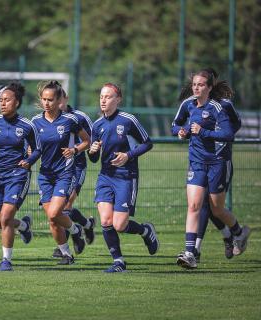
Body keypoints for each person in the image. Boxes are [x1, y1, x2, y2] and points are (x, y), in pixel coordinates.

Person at [172, 69, 250, 269]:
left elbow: (229, 134)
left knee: (216, 208)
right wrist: (180, 132)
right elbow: (176, 124)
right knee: (194, 206)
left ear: (209, 87)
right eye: (194, 84)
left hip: (218, 162)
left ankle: (239, 232)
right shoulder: (188, 104)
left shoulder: (219, 107)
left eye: (200, 85)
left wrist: (203, 131)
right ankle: (190, 252)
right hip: (196, 162)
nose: (196, 88)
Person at [88, 83, 158, 273]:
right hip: (105, 176)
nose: (103, 100)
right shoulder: (97, 125)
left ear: (118, 99)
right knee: (105, 221)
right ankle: (118, 261)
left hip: (126, 177)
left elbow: (147, 143)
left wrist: (128, 156)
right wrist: (92, 151)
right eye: (101, 96)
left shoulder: (128, 120)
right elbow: (94, 158)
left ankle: (145, 231)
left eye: (108, 97)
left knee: (119, 225)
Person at [0, 82, 40, 271]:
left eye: (7, 100)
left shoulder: (27, 125)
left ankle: (6, 260)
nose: (2, 103)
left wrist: (29, 161)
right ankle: (23, 225)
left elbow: (38, 149)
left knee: (5, 217)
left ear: (17, 103)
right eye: (1, 100)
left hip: (18, 175)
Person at [31, 80, 90, 265]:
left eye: (50, 100)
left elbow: (87, 141)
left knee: (55, 213)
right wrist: (27, 155)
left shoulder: (70, 120)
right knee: (52, 220)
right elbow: (30, 147)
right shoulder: (35, 122)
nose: (46, 103)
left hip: (64, 173)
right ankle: (67, 253)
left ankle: (75, 231)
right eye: (44, 99)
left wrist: (75, 150)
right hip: (45, 175)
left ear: (59, 101)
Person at [52, 89, 96, 259]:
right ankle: (86, 224)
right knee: (62, 207)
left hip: (77, 166)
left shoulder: (80, 117)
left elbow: (93, 138)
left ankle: (65, 246)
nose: (57, 104)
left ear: (65, 98)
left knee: (66, 205)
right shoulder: (50, 117)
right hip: (58, 167)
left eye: (59, 99)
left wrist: (84, 150)